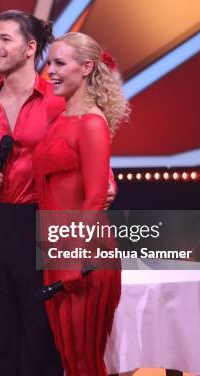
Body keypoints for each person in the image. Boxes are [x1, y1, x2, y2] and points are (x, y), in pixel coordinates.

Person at [0, 10, 115, 375]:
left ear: (31, 48)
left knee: (42, 333)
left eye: (5, 39)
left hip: (41, 222)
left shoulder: (57, 100)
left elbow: (91, 154)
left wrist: (107, 182)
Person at [33, 32, 130, 376]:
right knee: (71, 361)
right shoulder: (58, 121)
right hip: (56, 252)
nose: (51, 72)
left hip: (86, 255)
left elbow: (93, 198)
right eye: (49, 64)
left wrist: (74, 256)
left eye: (60, 63)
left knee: (86, 362)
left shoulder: (91, 122)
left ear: (87, 67)